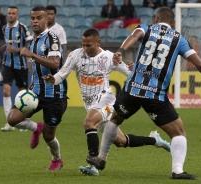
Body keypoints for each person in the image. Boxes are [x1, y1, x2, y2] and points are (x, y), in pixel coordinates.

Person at [86, 7, 201, 180]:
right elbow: (199, 64)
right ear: (173, 22)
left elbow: (134, 36)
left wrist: (121, 51)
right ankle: (177, 170)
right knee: (178, 133)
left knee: (115, 119)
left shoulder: (146, 28)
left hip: (133, 89)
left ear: (156, 18)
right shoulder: (179, 39)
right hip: (155, 95)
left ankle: (101, 158)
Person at [43, 28, 170, 176]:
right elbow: (61, 74)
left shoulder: (109, 57)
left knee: (89, 123)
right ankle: (155, 141)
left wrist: (132, 67)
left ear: (98, 42)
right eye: (83, 45)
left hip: (106, 100)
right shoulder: (75, 55)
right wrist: (53, 80)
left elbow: (131, 75)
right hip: (90, 103)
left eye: (89, 45)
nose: (85, 48)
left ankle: (93, 164)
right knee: (120, 141)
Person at [7, 6, 67, 171]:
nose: (35, 21)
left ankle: (57, 160)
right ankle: (35, 127)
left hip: (54, 94)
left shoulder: (52, 39)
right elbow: (34, 68)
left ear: (46, 19)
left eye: (38, 18)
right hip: (35, 92)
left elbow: (55, 64)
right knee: (12, 119)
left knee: (49, 136)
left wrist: (32, 55)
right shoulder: (30, 41)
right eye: (32, 18)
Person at [0, 6, 31, 132]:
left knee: (21, 94)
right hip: (7, 64)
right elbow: (7, 45)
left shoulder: (23, 28)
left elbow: (29, 45)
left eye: (13, 13)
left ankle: (22, 120)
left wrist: (17, 50)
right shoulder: (4, 28)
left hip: (21, 65)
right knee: (6, 91)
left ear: (17, 15)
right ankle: (9, 122)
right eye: (9, 13)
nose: (11, 15)